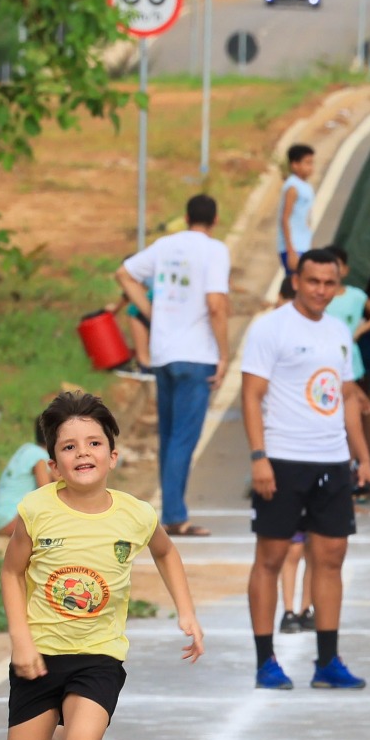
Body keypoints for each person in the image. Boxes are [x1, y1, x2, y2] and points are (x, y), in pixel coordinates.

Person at [1, 388, 205, 740]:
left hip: (99, 657)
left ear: (113, 455)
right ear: (53, 464)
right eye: (69, 446)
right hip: (40, 656)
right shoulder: (36, 510)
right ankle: (64, 728)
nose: (83, 453)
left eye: (93, 443)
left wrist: (186, 611)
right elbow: (11, 572)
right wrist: (21, 640)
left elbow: (166, 552)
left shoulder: (135, 515)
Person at [241, 247, 370, 691]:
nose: (320, 290)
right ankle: (266, 662)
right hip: (282, 458)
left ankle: (327, 662)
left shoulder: (339, 330)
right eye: (313, 281)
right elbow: (250, 395)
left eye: (329, 282)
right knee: (271, 558)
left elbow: (347, 396)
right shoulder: (271, 328)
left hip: (332, 460)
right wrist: (259, 457)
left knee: (331, 558)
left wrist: (362, 457)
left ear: (338, 286)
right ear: (296, 280)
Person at [118, 193, 229, 538]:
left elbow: (125, 274)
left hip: (163, 353)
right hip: (197, 355)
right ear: (215, 220)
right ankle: (175, 515)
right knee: (183, 437)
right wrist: (224, 354)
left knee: (169, 437)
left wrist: (153, 314)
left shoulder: (165, 246)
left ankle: (170, 512)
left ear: (186, 216)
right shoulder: (215, 250)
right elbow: (215, 305)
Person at [278, 143, 318, 274]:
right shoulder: (293, 187)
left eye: (312, 163)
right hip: (294, 247)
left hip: (304, 245)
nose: (311, 167)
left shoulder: (306, 186)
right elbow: (285, 218)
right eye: (307, 163)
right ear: (294, 165)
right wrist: (291, 250)